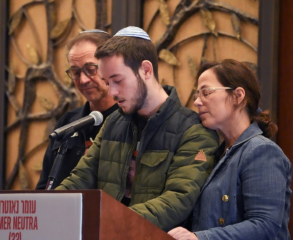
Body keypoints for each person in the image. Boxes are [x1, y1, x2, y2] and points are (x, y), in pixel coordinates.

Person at [56, 26, 219, 231]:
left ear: (146, 70)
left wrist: (107, 221)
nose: (112, 92)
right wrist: (49, 208)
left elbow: (176, 201)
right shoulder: (114, 122)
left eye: (117, 80)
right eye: (107, 82)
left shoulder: (194, 131)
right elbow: (80, 179)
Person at [168, 59, 292, 240]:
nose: (197, 102)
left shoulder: (262, 151)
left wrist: (199, 238)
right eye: (197, 95)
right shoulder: (217, 153)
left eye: (206, 92)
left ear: (238, 96)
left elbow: (265, 225)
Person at [36, 29, 118, 190]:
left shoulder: (131, 120)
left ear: (110, 66)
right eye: (75, 72)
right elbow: (43, 188)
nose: (83, 80)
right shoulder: (67, 124)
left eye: (91, 69)